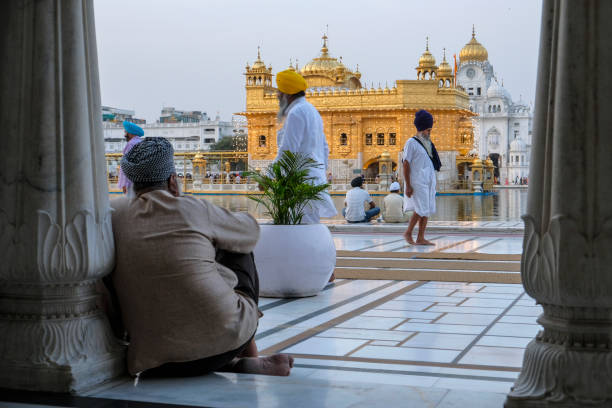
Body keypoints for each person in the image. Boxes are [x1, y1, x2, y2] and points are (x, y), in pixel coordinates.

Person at [109, 137, 293, 379]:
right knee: (238, 246)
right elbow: (250, 232)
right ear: (173, 181)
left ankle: (238, 364)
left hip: (154, 360)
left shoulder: (113, 215)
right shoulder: (193, 208)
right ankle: (251, 358)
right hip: (224, 343)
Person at [274, 69, 336, 224]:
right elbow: (325, 148)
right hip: (312, 179)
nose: (277, 96)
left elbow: (288, 150)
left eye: (279, 92)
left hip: (300, 180)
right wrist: (320, 172)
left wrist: (268, 177)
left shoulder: (296, 112)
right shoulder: (312, 111)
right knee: (309, 224)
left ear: (287, 94)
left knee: (299, 225)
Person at [402, 110, 441, 245]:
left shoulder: (428, 144)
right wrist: (408, 185)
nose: (429, 132)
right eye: (428, 130)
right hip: (417, 182)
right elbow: (406, 163)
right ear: (421, 128)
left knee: (427, 209)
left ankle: (420, 237)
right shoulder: (411, 143)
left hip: (427, 182)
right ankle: (408, 233)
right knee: (421, 209)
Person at [118, 121, 144, 194]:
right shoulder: (141, 142)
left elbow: (125, 165)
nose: (124, 135)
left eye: (125, 132)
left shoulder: (131, 144)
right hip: (141, 180)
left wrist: (124, 184)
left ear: (130, 133)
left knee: (132, 202)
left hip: (131, 182)